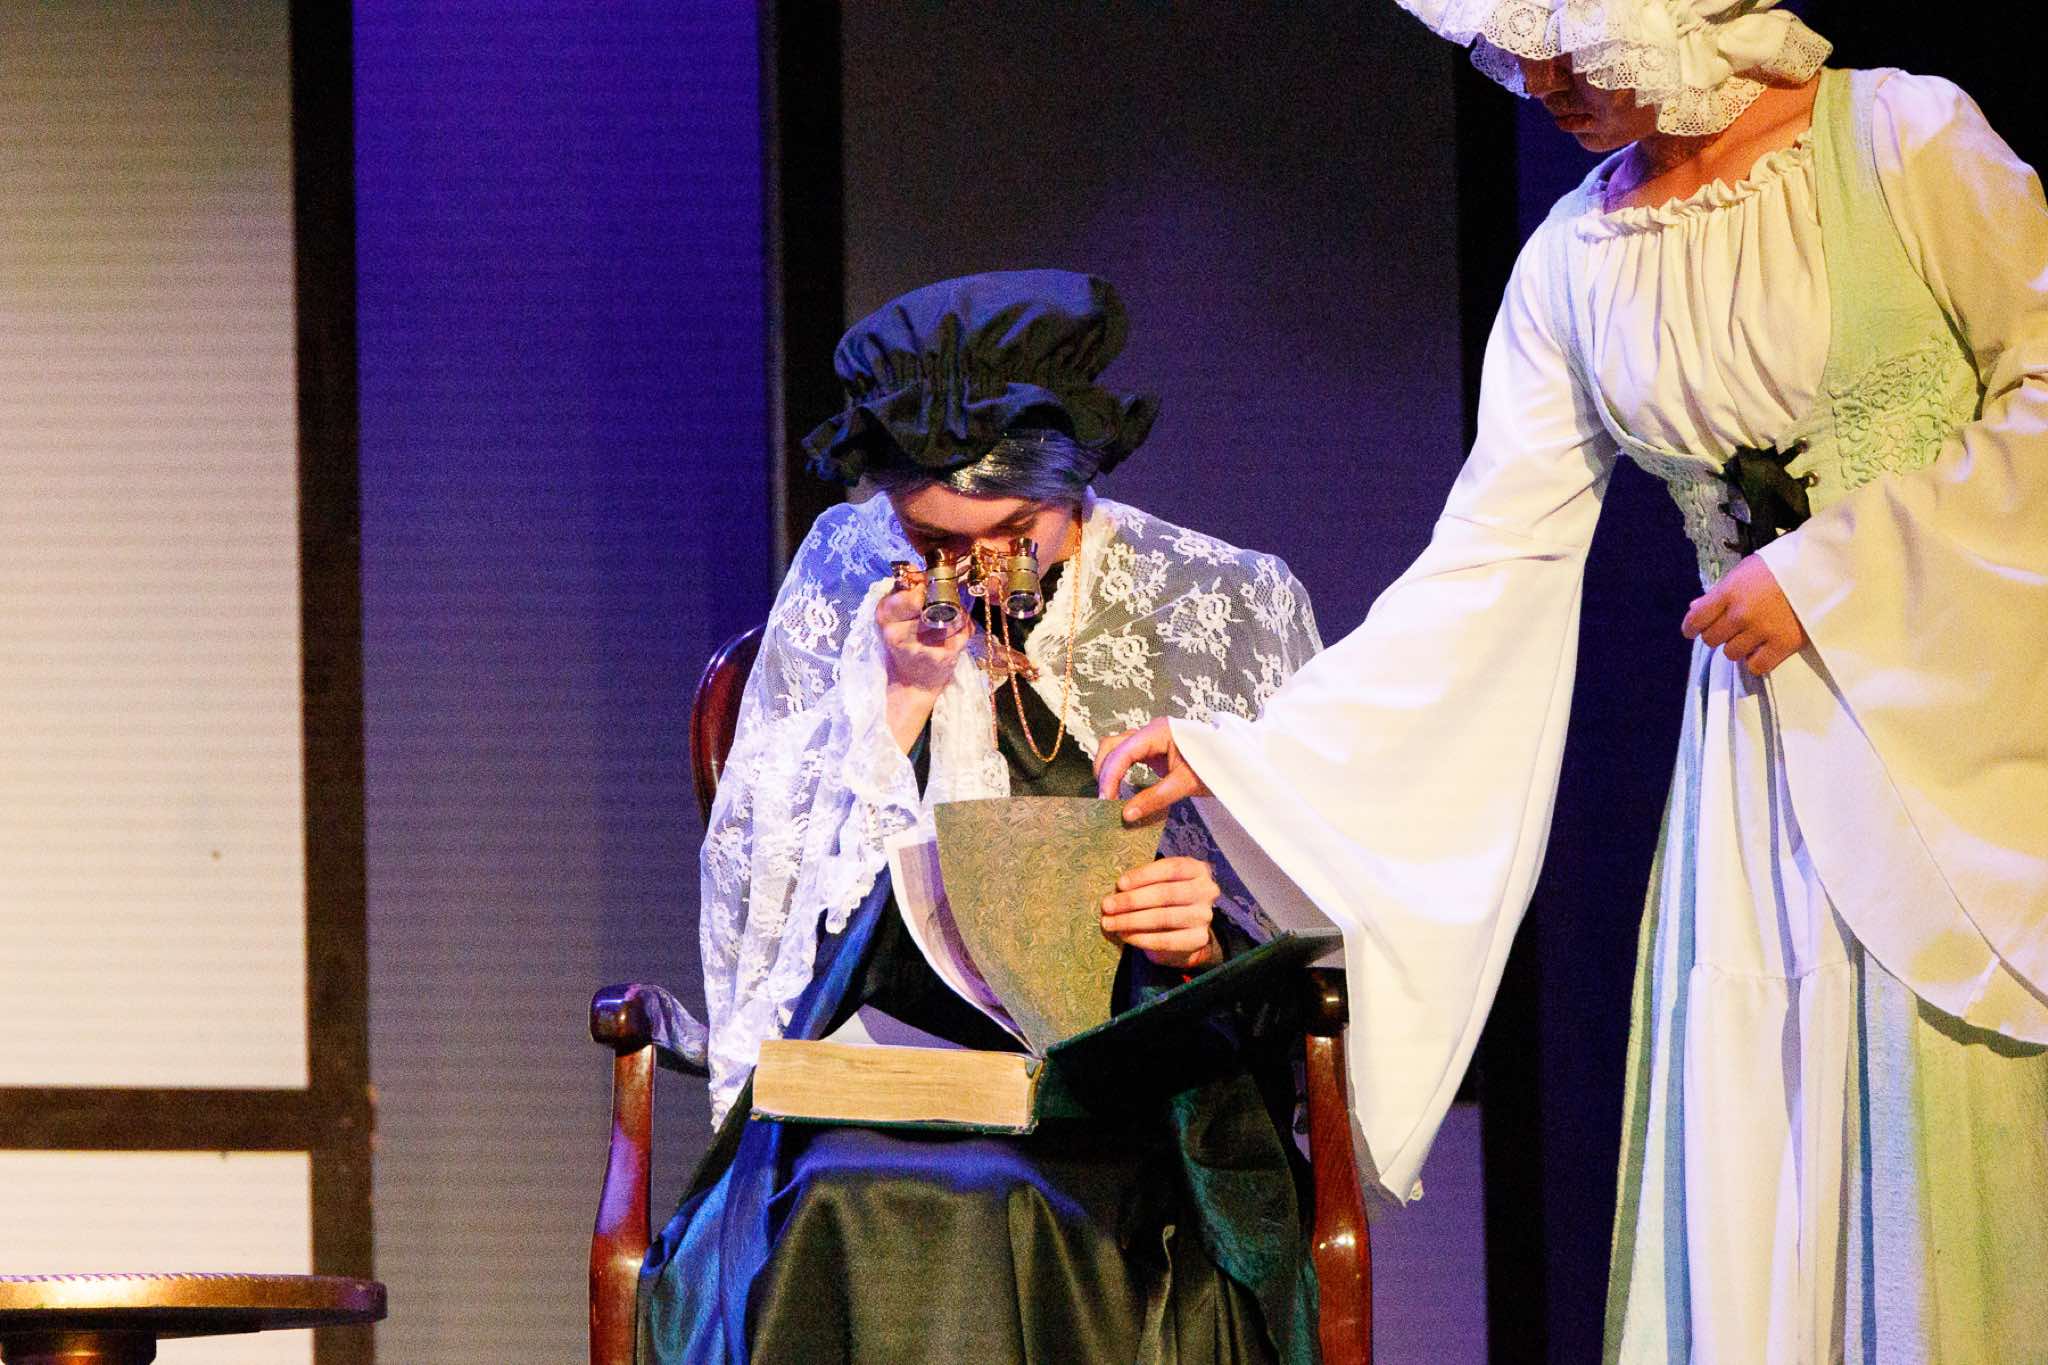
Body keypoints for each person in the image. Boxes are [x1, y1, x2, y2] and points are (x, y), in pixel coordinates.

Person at [1098, 4, 2048, 1360]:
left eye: (1561, 36)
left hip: (1958, 718)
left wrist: (1839, 572)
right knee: (1763, 1131)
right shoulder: (1577, 253)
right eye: (1509, 44)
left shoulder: (1903, 137)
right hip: (1753, 760)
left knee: (1925, 1119)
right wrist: (1255, 752)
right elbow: (1488, 556)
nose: (1534, 79)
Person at [641, 270, 1327, 1364]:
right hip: (893, 1094)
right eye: (930, 542)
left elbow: (1314, 900)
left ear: (1075, 486)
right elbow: (766, 897)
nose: (967, 573)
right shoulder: (846, 571)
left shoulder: (1218, 599)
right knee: (846, 1196)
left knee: (1014, 1203)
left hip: (1134, 1102)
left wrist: (1212, 934)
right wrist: (897, 704)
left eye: (1008, 533)